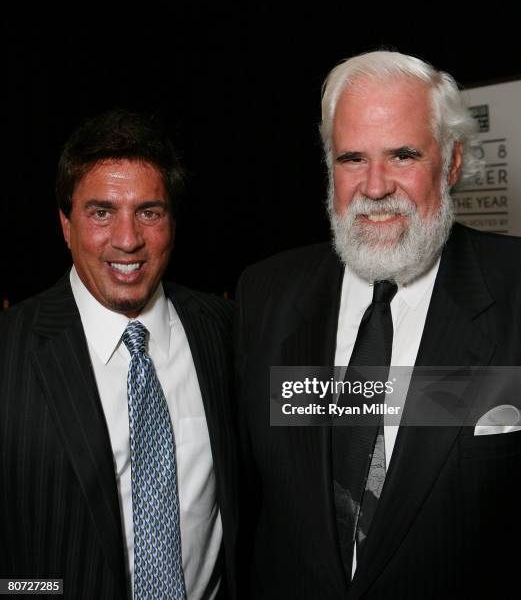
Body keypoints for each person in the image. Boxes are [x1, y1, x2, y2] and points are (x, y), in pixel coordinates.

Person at [235, 51, 521, 599]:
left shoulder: (513, 292)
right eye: (351, 159)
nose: (374, 186)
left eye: (403, 155)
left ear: (453, 161)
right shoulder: (265, 295)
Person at [0, 110, 237, 600]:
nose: (128, 240)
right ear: (66, 225)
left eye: (149, 212)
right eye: (101, 212)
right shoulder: (9, 349)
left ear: (171, 222)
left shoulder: (226, 330)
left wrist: (442, 400)